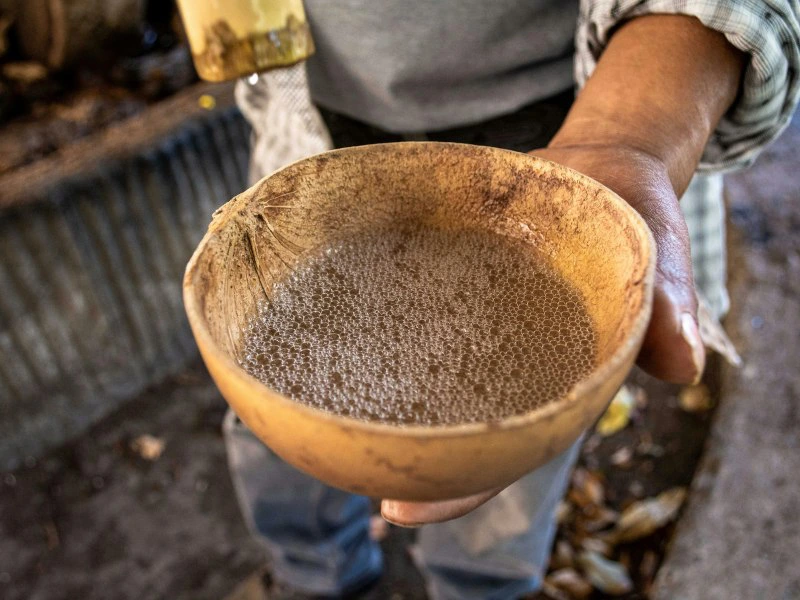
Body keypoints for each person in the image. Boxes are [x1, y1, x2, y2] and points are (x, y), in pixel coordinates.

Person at [224, 2, 800, 598]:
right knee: (267, 430)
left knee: (506, 483)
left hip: (564, 129)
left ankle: (479, 588)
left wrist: (626, 137)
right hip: (309, 124)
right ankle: (309, 578)